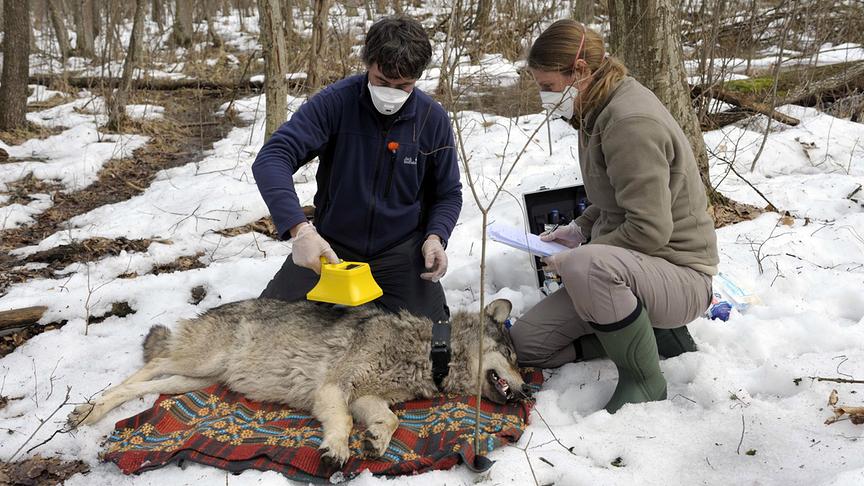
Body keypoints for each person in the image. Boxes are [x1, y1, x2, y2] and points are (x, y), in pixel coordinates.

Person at [509, 20, 719, 413]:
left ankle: (643, 379)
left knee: (588, 267)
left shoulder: (628, 122)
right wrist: (578, 230)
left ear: (581, 72)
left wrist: (578, 260)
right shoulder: (593, 108)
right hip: (633, 268)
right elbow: (616, 202)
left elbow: (649, 229)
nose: (544, 96)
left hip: (680, 273)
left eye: (549, 86)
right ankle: (655, 338)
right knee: (528, 344)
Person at [252, 16, 462, 323]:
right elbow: (273, 157)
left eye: (403, 85)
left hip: (400, 253)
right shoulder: (336, 102)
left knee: (434, 339)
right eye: (381, 82)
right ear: (368, 65)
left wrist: (435, 236)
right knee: (262, 326)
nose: (391, 93)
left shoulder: (433, 120)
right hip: (331, 250)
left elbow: (448, 194)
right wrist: (300, 230)